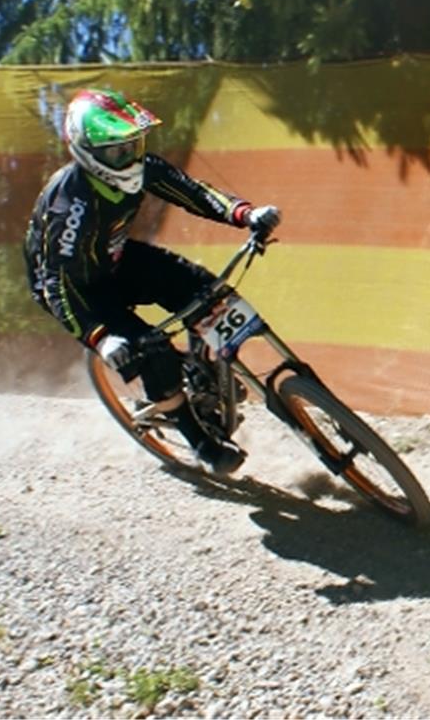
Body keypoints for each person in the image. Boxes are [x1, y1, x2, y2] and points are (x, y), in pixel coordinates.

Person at [23, 88, 281, 474]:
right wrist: (100, 338)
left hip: (114, 257)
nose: (130, 157)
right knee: (152, 350)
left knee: (206, 291)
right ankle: (199, 441)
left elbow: (193, 193)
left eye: (135, 143)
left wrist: (246, 214)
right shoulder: (70, 208)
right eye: (116, 151)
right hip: (77, 290)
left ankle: (204, 369)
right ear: (87, 154)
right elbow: (57, 287)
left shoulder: (141, 167)